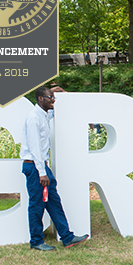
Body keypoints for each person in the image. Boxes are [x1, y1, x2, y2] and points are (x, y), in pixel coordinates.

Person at [21, 86, 89, 251]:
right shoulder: (33, 119)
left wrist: (58, 93)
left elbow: (55, 110)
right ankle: (36, 241)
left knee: (54, 202)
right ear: (40, 99)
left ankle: (67, 237)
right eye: (50, 97)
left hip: (42, 167)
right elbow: (35, 148)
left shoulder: (43, 115)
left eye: (53, 97)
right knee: (37, 205)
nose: (53, 100)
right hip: (35, 168)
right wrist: (42, 173)